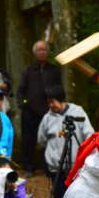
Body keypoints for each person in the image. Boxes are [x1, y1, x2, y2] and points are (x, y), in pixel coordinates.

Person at [37, 85, 94, 198]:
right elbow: (41, 139)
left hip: (75, 166)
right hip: (56, 168)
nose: (50, 105)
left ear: (61, 99)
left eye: (52, 101)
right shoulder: (47, 117)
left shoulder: (77, 111)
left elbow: (89, 134)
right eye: (48, 102)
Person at [16, 40, 63, 177]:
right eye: (39, 50)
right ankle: (29, 167)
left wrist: (57, 104)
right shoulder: (28, 69)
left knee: (50, 139)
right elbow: (21, 90)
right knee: (29, 139)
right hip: (30, 111)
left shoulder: (54, 70)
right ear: (35, 53)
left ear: (48, 52)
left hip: (49, 111)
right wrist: (23, 103)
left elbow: (59, 89)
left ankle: (48, 167)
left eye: (44, 49)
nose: (42, 52)